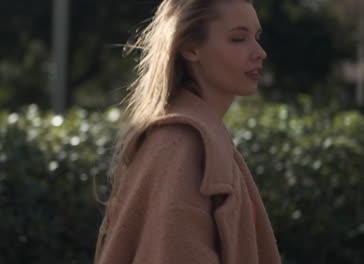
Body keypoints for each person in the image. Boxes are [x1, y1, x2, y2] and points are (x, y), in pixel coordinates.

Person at [93, 0, 282, 263]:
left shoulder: (196, 136)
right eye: (238, 38)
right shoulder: (181, 144)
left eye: (257, 37)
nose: (260, 52)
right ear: (191, 48)